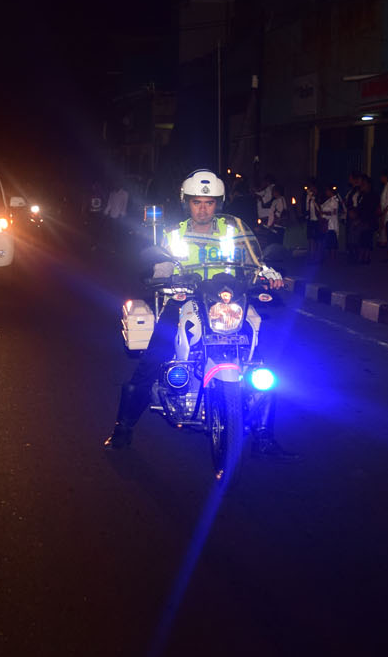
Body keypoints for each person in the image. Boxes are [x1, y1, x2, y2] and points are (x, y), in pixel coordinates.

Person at [104, 168, 292, 462]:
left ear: (219, 203)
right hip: (185, 301)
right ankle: (123, 428)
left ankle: (264, 436)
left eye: (209, 202)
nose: (203, 209)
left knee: (263, 363)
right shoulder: (174, 233)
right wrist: (161, 276)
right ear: (186, 203)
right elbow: (162, 263)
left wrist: (270, 273)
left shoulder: (235, 228)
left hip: (229, 303)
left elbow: (256, 261)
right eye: (196, 202)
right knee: (151, 363)